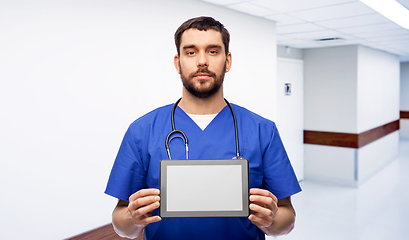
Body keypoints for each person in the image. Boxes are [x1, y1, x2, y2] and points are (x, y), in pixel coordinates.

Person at [105, 16, 301, 240]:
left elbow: (287, 217)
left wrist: (272, 220)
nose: (202, 61)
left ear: (227, 61)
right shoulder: (141, 131)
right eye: (191, 52)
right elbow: (121, 222)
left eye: (213, 51)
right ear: (178, 62)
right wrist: (133, 220)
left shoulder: (262, 130)